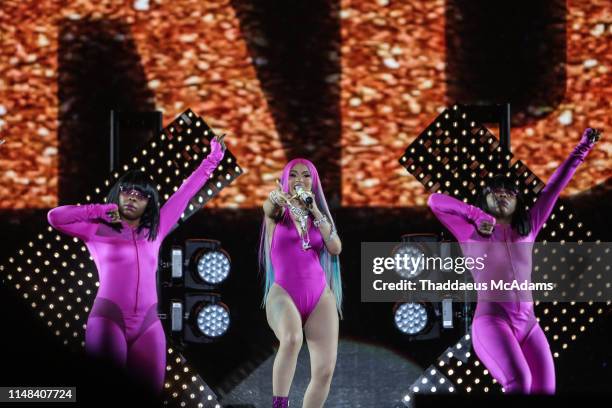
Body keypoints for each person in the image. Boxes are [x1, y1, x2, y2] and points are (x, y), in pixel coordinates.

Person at [47, 134, 227, 393]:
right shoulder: (95, 229)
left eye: (141, 195)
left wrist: (213, 159)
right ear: (117, 195)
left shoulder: (157, 227)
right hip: (109, 319)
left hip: (148, 323)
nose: (132, 198)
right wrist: (97, 210)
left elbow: (186, 191)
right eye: (127, 192)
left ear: (149, 203)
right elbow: (55, 217)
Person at [427, 128, 601, 394]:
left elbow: (554, 187)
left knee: (545, 390)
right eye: (495, 190)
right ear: (482, 199)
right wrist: (475, 215)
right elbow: (435, 200)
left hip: (529, 324)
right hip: (492, 322)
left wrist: (583, 148)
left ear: (518, 201)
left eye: (509, 191)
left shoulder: (528, 227)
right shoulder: (469, 230)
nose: (502, 194)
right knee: (519, 383)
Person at [259, 158, 343, 408]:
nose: (300, 180)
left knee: (325, 370)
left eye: (306, 175)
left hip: (320, 296)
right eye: (293, 175)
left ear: (313, 181)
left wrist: (315, 210)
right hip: (284, 292)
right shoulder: (277, 213)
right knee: (292, 339)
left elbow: (335, 248)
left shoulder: (319, 217)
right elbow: (268, 207)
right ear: (286, 180)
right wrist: (276, 198)